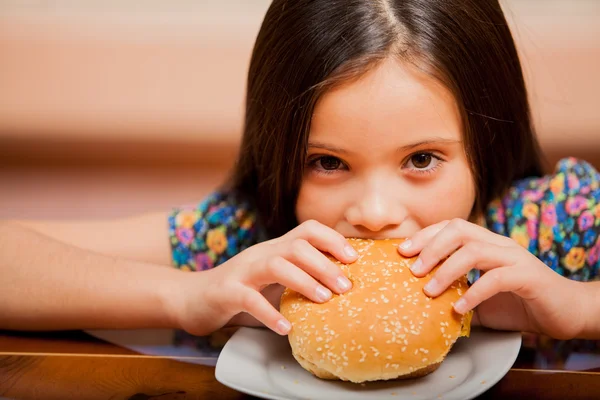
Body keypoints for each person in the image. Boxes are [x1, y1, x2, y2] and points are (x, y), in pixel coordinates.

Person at [1, 0, 599, 340]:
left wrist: (576, 306)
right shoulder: (256, 245)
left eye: (421, 159)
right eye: (327, 163)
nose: (374, 213)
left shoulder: (551, 223)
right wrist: (187, 296)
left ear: (484, 147)